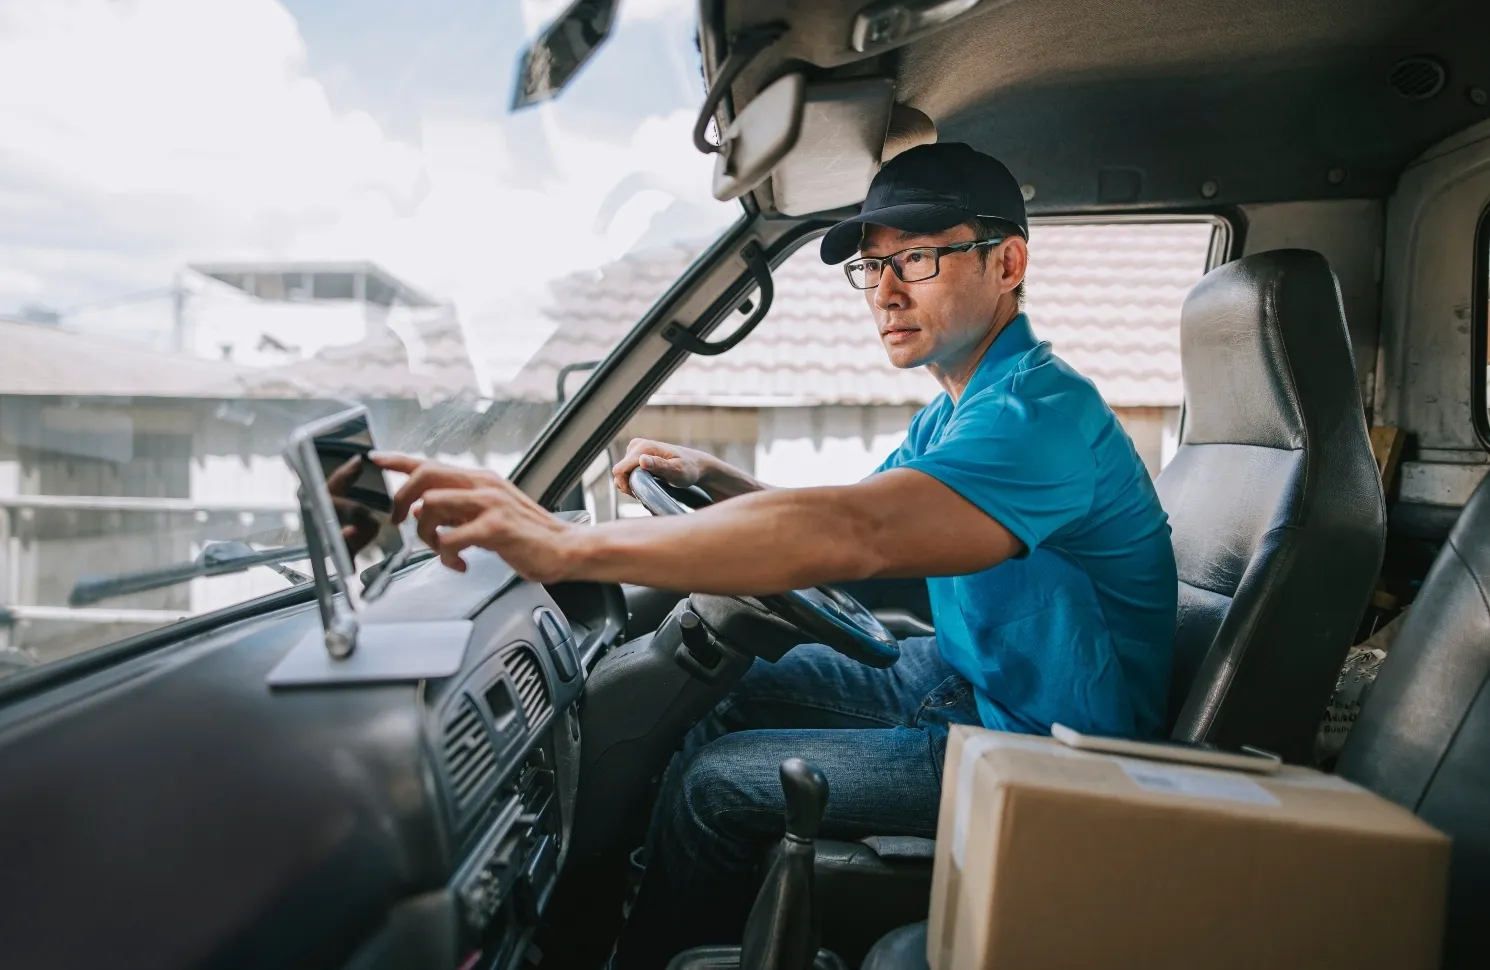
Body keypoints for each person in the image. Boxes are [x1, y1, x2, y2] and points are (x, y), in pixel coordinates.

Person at [372, 142, 1177, 965]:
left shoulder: (1034, 419)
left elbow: (848, 538)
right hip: (967, 679)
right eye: (873, 268)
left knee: (716, 786)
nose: (887, 292)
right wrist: (713, 477)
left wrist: (564, 546)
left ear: (1007, 263)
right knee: (720, 692)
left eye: (920, 259)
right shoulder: (964, 409)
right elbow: (849, 516)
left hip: (1040, 750)